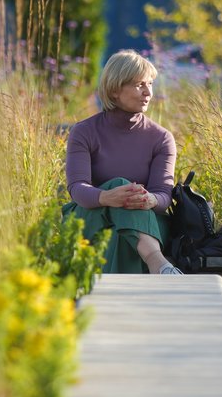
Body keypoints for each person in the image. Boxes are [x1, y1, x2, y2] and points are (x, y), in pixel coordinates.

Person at [63, 49, 182, 275]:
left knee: (121, 233)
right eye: (140, 85)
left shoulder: (161, 138)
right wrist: (107, 196)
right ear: (115, 89)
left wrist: (149, 199)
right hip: (90, 216)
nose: (148, 92)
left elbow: (163, 196)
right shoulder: (84, 132)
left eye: (150, 84)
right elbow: (77, 188)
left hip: (145, 221)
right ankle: (160, 265)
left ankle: (100, 306)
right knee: (118, 184)